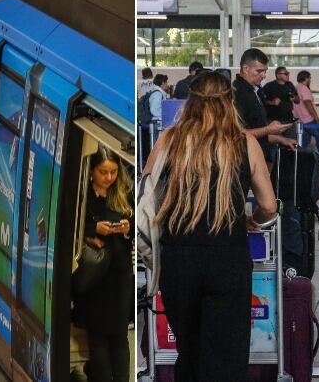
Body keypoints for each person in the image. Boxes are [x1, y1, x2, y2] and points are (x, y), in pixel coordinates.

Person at [143, 71, 278, 381]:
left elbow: (146, 190)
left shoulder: (169, 139)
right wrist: (248, 220)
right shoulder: (244, 143)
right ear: (228, 102)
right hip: (227, 257)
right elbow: (269, 205)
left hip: (178, 260)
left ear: (190, 101)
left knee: (189, 351)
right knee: (225, 357)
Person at [75, 146, 133, 382]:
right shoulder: (81, 194)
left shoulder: (124, 191)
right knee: (97, 335)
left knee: (119, 336)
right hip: (94, 276)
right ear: (91, 171)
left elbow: (135, 223)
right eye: (103, 172)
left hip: (119, 275)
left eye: (113, 172)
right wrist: (92, 229)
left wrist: (127, 228)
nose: (109, 178)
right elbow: (71, 227)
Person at [232, 49, 294, 165]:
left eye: (265, 71)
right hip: (245, 160)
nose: (264, 75)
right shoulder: (238, 93)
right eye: (259, 71)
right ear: (246, 69)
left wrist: (281, 139)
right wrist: (268, 129)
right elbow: (237, 133)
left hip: (258, 156)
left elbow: (257, 129)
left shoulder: (256, 90)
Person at [293, 71, 319, 159]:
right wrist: (317, 119)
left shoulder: (296, 87)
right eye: (310, 78)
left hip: (300, 120)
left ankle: (302, 161)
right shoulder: (304, 88)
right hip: (309, 120)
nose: (310, 80)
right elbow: (308, 104)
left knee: (304, 143)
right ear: (306, 78)